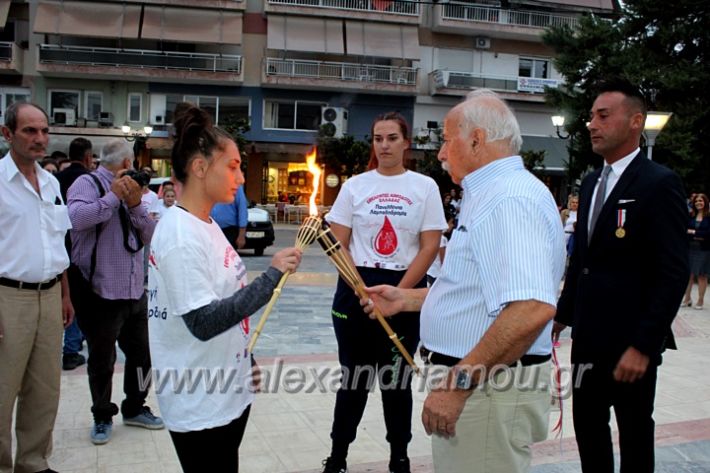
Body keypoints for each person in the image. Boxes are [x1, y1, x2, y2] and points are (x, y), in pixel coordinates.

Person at [362, 90, 565, 473]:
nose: (440, 152)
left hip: (486, 389)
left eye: (446, 139)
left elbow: (531, 307)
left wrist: (457, 385)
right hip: (484, 385)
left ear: (476, 139)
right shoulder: (491, 193)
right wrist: (407, 299)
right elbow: (480, 290)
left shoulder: (508, 199)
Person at [148, 106, 302, 472]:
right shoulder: (180, 236)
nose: (240, 176)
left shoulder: (206, 224)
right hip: (198, 399)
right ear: (200, 168)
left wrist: (243, 358)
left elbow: (220, 296)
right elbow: (202, 321)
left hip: (225, 388)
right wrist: (271, 276)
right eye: (232, 166)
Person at [554, 79, 689, 473]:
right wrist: (564, 313)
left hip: (630, 343)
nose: (591, 125)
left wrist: (644, 345)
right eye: (591, 116)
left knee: (633, 432)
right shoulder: (593, 181)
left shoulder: (659, 183)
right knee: (588, 429)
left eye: (603, 116)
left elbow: (673, 271)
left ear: (635, 122)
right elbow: (583, 257)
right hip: (589, 337)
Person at [321, 112, 447, 473]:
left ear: (406, 142)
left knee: (397, 383)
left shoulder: (424, 187)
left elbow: (428, 247)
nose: (385, 145)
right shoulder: (355, 187)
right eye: (378, 138)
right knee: (353, 380)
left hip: (403, 291)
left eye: (392, 138)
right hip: (356, 291)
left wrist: (399, 294)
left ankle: (399, 457)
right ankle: (338, 455)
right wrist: (361, 287)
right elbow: (337, 243)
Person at [67, 138, 163, 445]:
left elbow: (150, 236)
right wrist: (112, 197)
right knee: (101, 360)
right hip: (100, 292)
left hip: (135, 290)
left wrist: (134, 204)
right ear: (126, 162)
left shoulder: (135, 189)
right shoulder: (87, 183)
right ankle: (102, 415)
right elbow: (77, 219)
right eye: (132, 163)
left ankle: (135, 407)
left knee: (143, 356)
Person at [0, 102, 74, 473]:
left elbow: (56, 242)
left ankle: (32, 462)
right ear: (7, 133)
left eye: (44, 131)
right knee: (2, 389)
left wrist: (64, 294)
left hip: (49, 295)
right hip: (7, 297)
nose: (40, 138)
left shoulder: (50, 183)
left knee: (44, 389)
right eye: (30, 131)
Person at [56, 136, 94, 370]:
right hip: (81, 247)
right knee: (81, 298)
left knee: (68, 297)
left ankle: (73, 342)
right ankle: (72, 347)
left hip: (59, 245)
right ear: (88, 157)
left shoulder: (55, 180)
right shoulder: (90, 181)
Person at [682, 193, 710, 309]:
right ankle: (687, 299)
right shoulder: (691, 216)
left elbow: (708, 234)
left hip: (703, 250)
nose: (698, 203)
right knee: (688, 275)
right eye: (697, 201)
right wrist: (697, 234)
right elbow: (685, 230)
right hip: (690, 248)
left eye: (701, 201)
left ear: (705, 202)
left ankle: (700, 301)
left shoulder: (709, 217)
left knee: (701, 276)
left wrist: (693, 233)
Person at [211, 185, 248, 250]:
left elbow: (242, 209)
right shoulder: (208, 183)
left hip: (229, 231)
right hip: (210, 230)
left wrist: (241, 235)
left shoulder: (235, 185)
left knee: (227, 258)